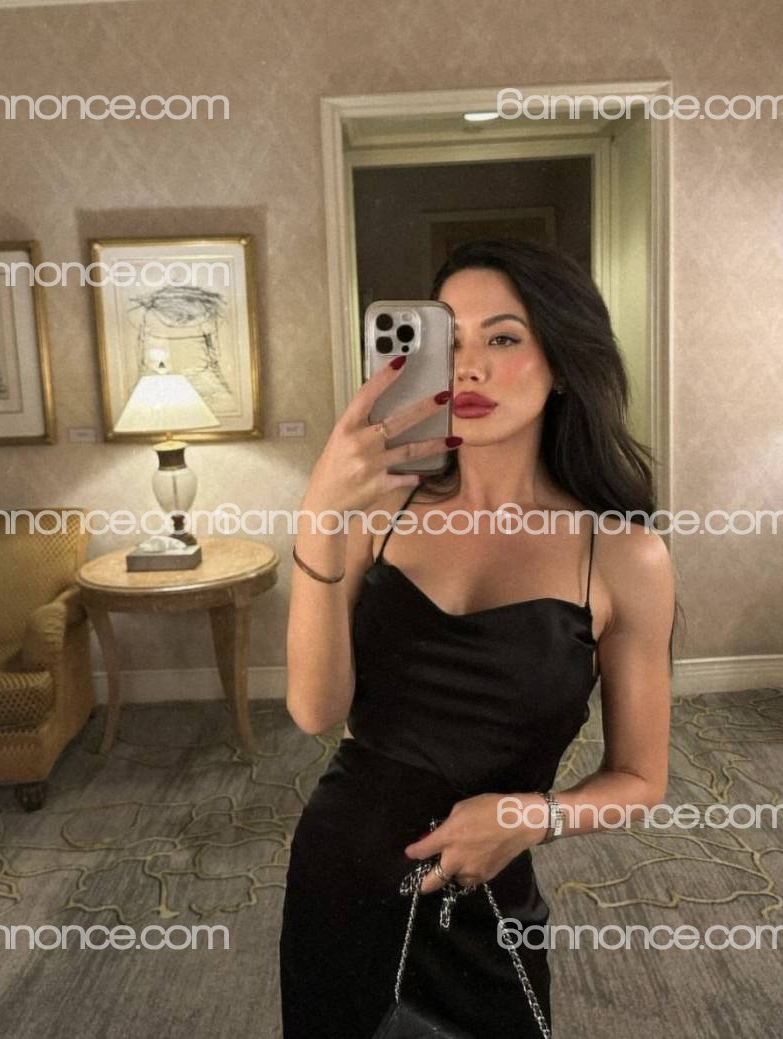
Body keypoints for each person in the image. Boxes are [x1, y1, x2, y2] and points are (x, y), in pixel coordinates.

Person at [280, 238, 677, 1037]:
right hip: (340, 872)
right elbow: (315, 710)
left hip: (485, 898)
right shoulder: (376, 514)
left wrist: (535, 815)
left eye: (503, 337)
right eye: (449, 340)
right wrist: (320, 514)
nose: (468, 368)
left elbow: (641, 777)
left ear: (561, 361)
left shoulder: (623, 555)